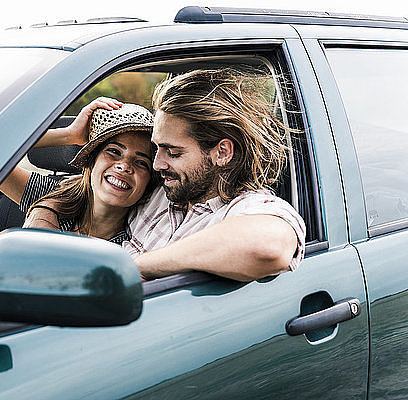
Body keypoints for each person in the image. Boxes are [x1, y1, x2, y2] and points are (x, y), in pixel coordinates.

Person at [28, 69, 306, 282]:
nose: (157, 164)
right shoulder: (162, 191)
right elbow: (72, 193)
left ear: (221, 152)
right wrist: (66, 136)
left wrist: (131, 267)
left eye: (172, 152)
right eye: (157, 149)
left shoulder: (244, 209)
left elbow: (267, 247)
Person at [0, 98, 158, 244]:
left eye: (141, 162)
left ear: (148, 180)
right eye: (114, 152)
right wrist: (68, 136)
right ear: (91, 160)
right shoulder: (54, 193)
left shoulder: (136, 243)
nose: (124, 166)